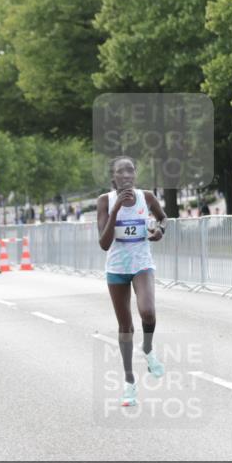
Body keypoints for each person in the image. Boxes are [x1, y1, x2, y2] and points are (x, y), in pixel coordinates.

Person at [96, 156, 167, 407]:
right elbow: (104, 243)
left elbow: (162, 219)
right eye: (120, 172)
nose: (126, 175)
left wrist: (158, 231)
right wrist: (115, 210)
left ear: (135, 174)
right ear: (113, 178)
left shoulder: (146, 197)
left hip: (141, 264)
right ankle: (129, 383)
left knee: (147, 312)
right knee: (125, 327)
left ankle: (147, 348)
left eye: (130, 170)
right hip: (116, 268)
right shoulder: (105, 201)